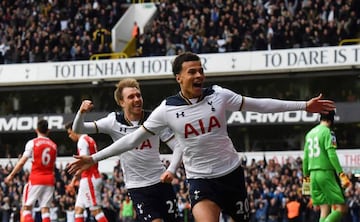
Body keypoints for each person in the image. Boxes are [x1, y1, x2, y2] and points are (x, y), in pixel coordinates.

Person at [68, 52, 336, 222]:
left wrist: (303, 106)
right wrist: (94, 157)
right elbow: (131, 140)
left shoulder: (218, 95)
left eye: (200, 70)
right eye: (192, 72)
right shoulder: (166, 110)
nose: (199, 75)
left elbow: (259, 104)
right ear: (179, 78)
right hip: (199, 179)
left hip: (231, 173)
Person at [71, 78, 181, 222]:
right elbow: (79, 129)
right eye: (131, 97)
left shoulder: (154, 119)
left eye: (138, 95)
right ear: (121, 102)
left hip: (161, 182)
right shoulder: (113, 122)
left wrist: (171, 170)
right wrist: (81, 112)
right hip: (138, 187)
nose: (137, 99)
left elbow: (178, 146)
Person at [302, 110, 350, 222]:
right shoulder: (328, 132)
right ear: (331, 120)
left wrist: (306, 180)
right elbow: (331, 155)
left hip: (313, 175)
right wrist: (341, 174)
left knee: (324, 209)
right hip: (326, 173)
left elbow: (305, 159)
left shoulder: (310, 134)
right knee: (341, 208)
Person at [5, 119, 57, 222]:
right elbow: (53, 165)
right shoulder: (54, 146)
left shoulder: (32, 143)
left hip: (36, 179)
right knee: (45, 210)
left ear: (36, 130)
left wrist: (11, 175)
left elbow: (22, 162)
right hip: (49, 180)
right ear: (48, 131)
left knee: (27, 208)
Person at [64, 122, 108, 222]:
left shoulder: (82, 141)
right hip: (88, 178)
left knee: (96, 210)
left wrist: (74, 179)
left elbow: (85, 161)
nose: (70, 136)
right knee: (78, 209)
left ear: (75, 130)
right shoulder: (89, 139)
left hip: (90, 178)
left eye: (70, 133)